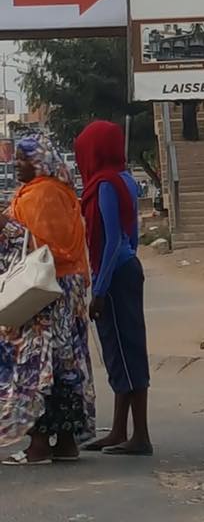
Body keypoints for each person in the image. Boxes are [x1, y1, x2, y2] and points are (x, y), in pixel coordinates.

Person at [0, 133, 95, 465]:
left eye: (23, 159)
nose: (16, 165)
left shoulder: (42, 195)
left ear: (38, 162)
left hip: (44, 295)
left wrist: (5, 227)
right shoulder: (58, 191)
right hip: (64, 292)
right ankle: (65, 443)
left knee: (36, 367)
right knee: (65, 365)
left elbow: (39, 247)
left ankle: (38, 446)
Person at [74, 120, 152, 456]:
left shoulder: (104, 185)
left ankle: (140, 436)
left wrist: (100, 289)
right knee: (124, 349)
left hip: (115, 275)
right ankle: (120, 430)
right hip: (129, 267)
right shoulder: (125, 180)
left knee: (124, 350)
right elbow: (131, 236)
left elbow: (110, 241)